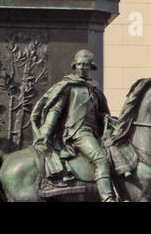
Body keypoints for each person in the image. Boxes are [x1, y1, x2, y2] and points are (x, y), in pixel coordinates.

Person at [30, 49, 115, 202]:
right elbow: (55, 111)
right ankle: (107, 199)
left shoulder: (94, 88)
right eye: (79, 64)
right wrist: (45, 133)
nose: (82, 67)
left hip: (94, 132)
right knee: (101, 158)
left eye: (85, 65)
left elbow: (97, 113)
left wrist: (106, 118)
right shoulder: (69, 85)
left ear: (91, 67)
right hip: (78, 133)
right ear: (74, 66)